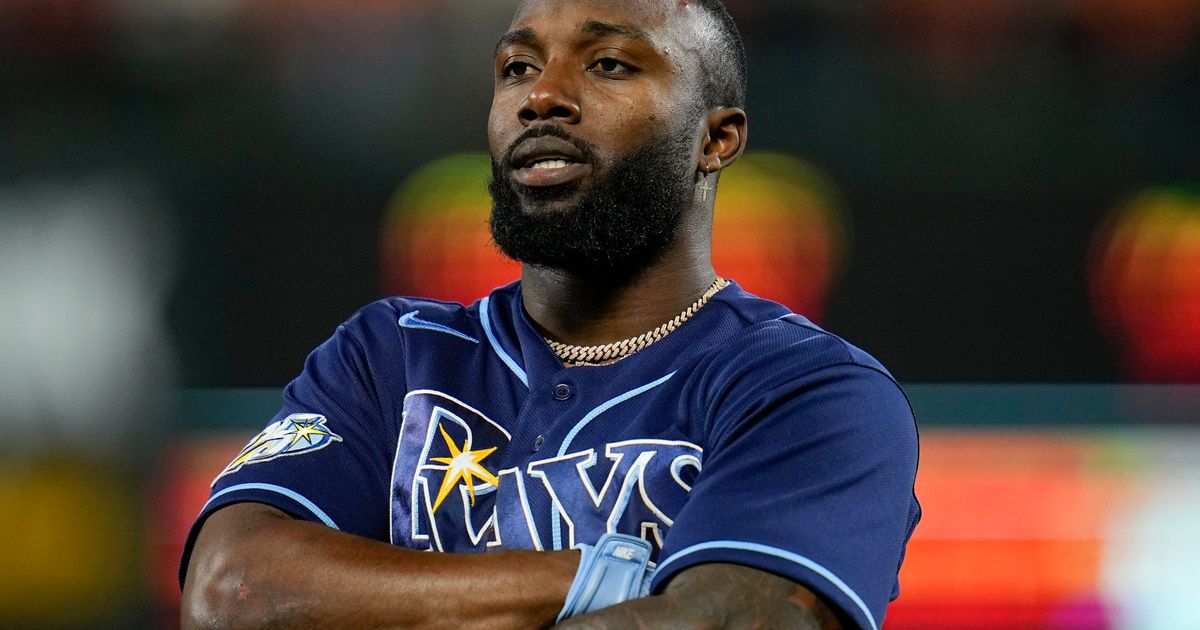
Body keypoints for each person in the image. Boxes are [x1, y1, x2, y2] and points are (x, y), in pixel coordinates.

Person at [180, 0, 921, 628]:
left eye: (609, 65)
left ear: (714, 138)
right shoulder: (391, 359)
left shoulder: (810, 390)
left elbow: (734, 615)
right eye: (517, 69)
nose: (542, 97)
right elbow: (230, 590)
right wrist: (615, 577)